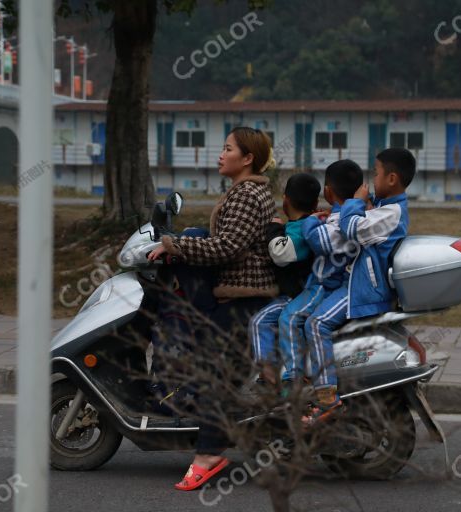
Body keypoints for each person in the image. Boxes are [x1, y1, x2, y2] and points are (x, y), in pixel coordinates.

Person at [147, 127, 277, 491]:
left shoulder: (247, 194)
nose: (220, 154)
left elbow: (228, 248)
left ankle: (208, 455)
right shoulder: (245, 191)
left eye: (227, 148)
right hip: (234, 293)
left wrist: (176, 246)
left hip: (244, 296)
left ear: (247, 158)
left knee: (215, 373)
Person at [302, 148, 415, 426]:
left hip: (364, 290)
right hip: (359, 284)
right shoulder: (385, 207)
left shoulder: (392, 213)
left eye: (375, 173)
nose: (370, 181)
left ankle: (327, 399)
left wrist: (354, 201)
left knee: (316, 325)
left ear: (391, 178)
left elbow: (352, 227)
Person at [269, 161, 363, 405]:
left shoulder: (338, 220)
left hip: (325, 284)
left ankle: (295, 380)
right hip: (330, 283)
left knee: (292, 319)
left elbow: (318, 240)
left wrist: (310, 220)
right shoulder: (354, 215)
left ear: (328, 192)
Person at [249, 173, 321, 390]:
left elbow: (281, 254)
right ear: (316, 202)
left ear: (285, 199)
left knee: (260, 321)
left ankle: (274, 376)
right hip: (295, 292)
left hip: (298, 294)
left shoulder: (302, 228)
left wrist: (274, 230)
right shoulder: (305, 224)